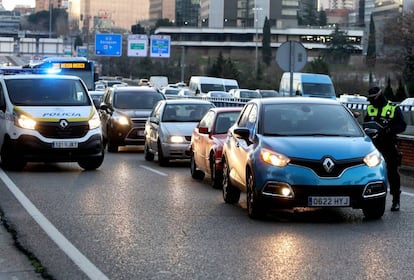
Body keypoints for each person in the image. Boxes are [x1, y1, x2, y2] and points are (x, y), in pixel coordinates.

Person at [364, 86, 407, 211]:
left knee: (392, 172)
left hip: (389, 144)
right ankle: (372, 198)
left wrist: (388, 130)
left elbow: (402, 125)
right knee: (371, 172)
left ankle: (396, 200)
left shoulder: (393, 108)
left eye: (372, 99)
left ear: (379, 96)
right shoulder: (370, 108)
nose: (370, 101)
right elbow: (366, 124)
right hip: (374, 146)